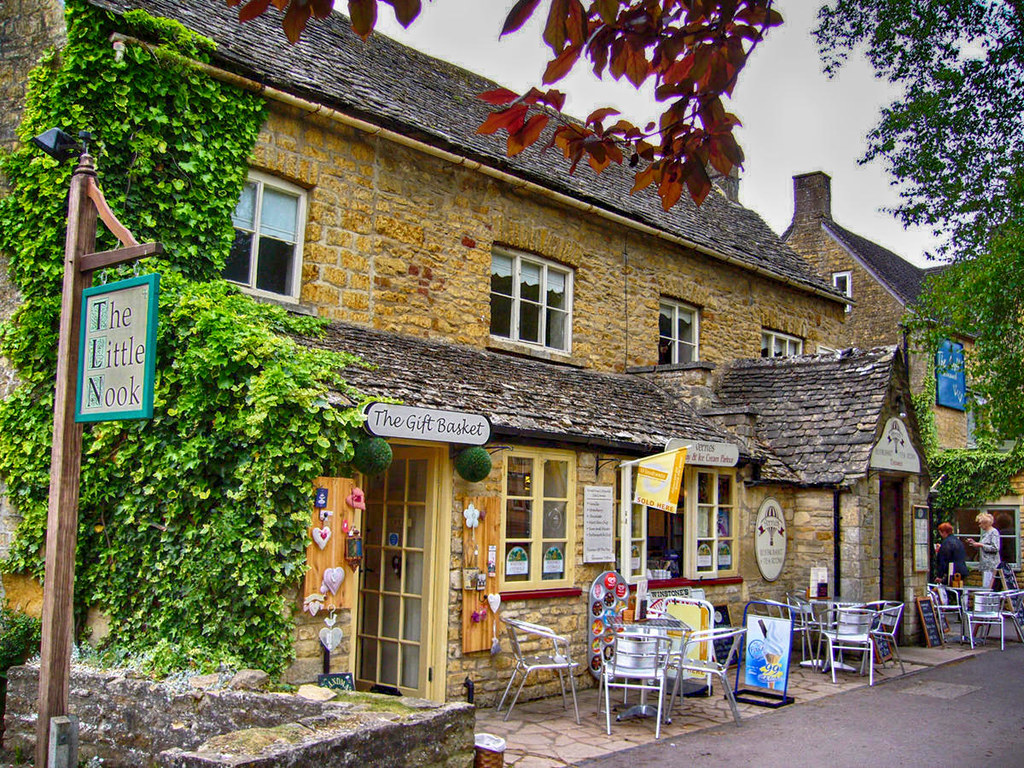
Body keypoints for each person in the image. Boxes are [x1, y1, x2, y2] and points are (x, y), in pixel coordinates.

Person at [966, 512, 1001, 589]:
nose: (980, 526)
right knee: (985, 586)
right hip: (985, 565)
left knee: (989, 587)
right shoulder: (986, 534)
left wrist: (981, 545)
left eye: (980, 523)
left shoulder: (993, 532)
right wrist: (974, 543)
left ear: (986, 523)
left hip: (991, 566)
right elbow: (982, 547)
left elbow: (995, 548)